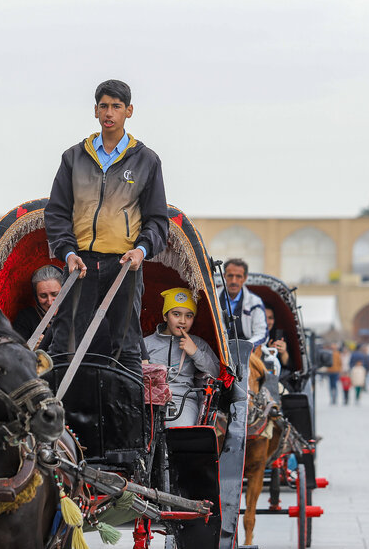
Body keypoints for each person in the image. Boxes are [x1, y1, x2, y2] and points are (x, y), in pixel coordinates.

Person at [44, 79, 169, 378]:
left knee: (125, 345)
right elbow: (57, 212)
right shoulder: (73, 157)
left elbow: (157, 220)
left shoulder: (147, 160)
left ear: (129, 111)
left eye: (116, 106)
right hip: (80, 263)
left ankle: (128, 419)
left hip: (124, 265)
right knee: (65, 342)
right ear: (95, 111)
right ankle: (59, 418)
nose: (109, 112)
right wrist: (68, 252)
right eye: (103, 106)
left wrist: (141, 251)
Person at [142, 288, 219, 427]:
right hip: (148, 402)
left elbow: (216, 373)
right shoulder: (145, 344)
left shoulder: (199, 344)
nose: (183, 321)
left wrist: (195, 352)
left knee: (180, 434)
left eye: (189, 316)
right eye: (176, 314)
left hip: (183, 401)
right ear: (165, 316)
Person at [218, 259, 268, 348]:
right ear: (224, 276)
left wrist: (246, 347)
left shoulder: (255, 302)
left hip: (247, 352)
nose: (234, 281)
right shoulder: (212, 299)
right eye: (230, 276)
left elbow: (261, 334)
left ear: (245, 278)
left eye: (238, 276)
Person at [13, 265, 64, 349]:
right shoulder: (26, 318)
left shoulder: (77, 314)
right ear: (36, 296)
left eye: (55, 294)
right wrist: (29, 347)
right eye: (43, 296)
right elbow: (13, 352)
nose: (50, 302)